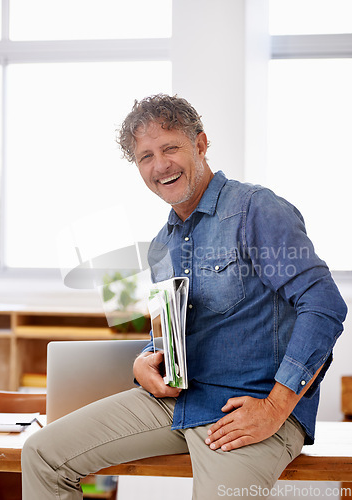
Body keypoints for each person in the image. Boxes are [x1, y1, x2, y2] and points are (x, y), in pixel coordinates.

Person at [22, 94, 347, 499]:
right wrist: (144, 361)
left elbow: (323, 305)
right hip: (180, 402)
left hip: (250, 410)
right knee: (41, 454)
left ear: (201, 144)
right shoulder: (161, 246)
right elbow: (170, 333)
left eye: (170, 147)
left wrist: (276, 408)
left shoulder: (255, 210)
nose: (160, 165)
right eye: (145, 156)